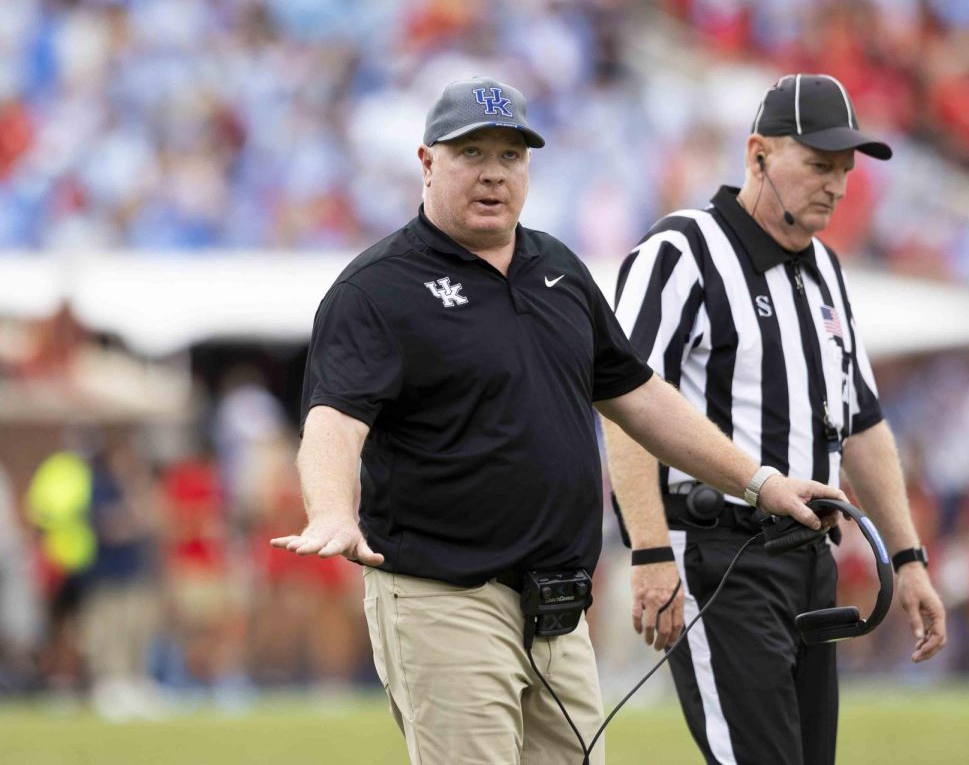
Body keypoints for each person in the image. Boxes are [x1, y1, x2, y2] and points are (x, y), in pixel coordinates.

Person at [269, 77, 849, 765]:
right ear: (427, 163)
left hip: (556, 607)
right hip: (445, 598)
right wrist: (332, 509)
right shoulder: (378, 289)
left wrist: (760, 481)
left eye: (511, 156)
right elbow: (335, 419)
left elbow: (640, 398)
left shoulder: (559, 269)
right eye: (471, 153)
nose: (493, 173)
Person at [604, 73, 948, 765]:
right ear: (758, 153)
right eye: (819, 164)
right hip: (718, 553)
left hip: (809, 559)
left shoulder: (824, 267)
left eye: (845, 169)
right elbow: (623, 403)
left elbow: (863, 424)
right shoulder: (680, 252)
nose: (837, 185)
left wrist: (908, 559)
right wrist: (648, 551)